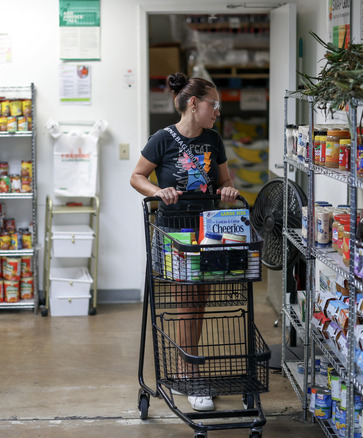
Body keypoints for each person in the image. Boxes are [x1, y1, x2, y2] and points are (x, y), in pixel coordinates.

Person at [130, 72, 239, 412]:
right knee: (185, 301)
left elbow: (224, 181)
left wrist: (229, 191)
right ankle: (188, 373)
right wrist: (158, 191)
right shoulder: (162, 139)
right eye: (213, 104)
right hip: (175, 229)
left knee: (200, 300)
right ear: (194, 104)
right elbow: (136, 177)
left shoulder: (214, 140)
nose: (217, 110)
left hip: (209, 228)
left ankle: (187, 368)